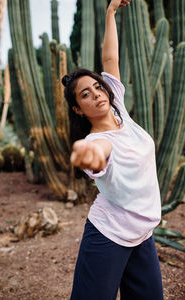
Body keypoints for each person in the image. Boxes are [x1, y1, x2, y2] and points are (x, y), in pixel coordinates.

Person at [62, 0, 164, 299]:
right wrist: (88, 157)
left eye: (97, 87)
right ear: (78, 109)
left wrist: (110, 12)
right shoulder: (96, 141)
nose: (95, 94)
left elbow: (109, 59)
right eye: (85, 95)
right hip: (109, 234)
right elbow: (99, 154)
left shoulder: (119, 109)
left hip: (142, 233)